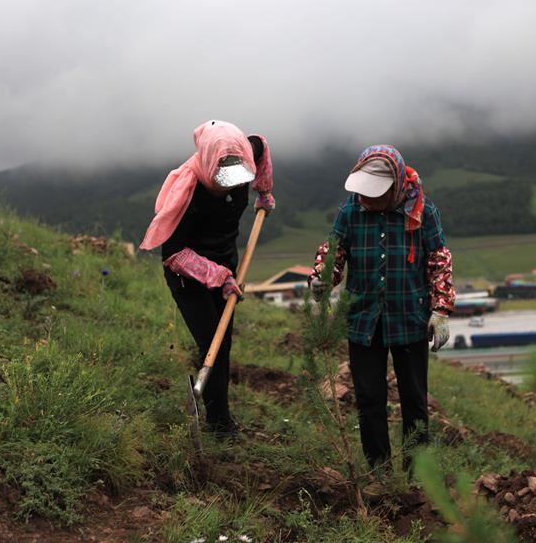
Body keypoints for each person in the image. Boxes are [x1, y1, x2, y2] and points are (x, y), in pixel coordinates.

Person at [308, 144, 455, 472]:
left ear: (397, 185)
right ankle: (379, 470)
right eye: (364, 194)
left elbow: (438, 260)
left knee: (415, 401)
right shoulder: (351, 212)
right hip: (364, 320)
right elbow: (334, 251)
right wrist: (322, 276)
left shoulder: (423, 212)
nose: (368, 201)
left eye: (375, 195)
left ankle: (417, 475)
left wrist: (441, 309)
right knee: (369, 399)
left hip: (409, 318)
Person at [140, 120, 274, 437]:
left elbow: (263, 146)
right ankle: (219, 423)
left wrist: (264, 191)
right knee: (211, 339)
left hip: (226, 260)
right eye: (222, 179)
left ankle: (218, 416)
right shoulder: (186, 193)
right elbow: (175, 255)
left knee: (223, 340)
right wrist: (218, 277)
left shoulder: (246, 155)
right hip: (188, 274)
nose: (229, 186)